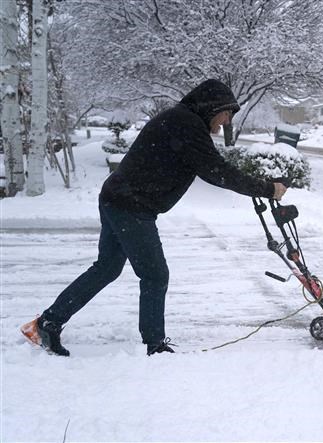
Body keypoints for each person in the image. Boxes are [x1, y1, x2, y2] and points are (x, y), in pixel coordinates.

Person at [20, 79, 287, 356]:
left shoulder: (182, 120)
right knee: (155, 275)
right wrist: (267, 189)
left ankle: (47, 324)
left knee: (107, 269)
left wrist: (260, 185)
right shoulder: (187, 125)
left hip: (118, 198)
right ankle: (154, 345)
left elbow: (215, 167)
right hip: (131, 206)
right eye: (227, 114)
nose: (227, 122)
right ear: (213, 107)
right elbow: (217, 171)